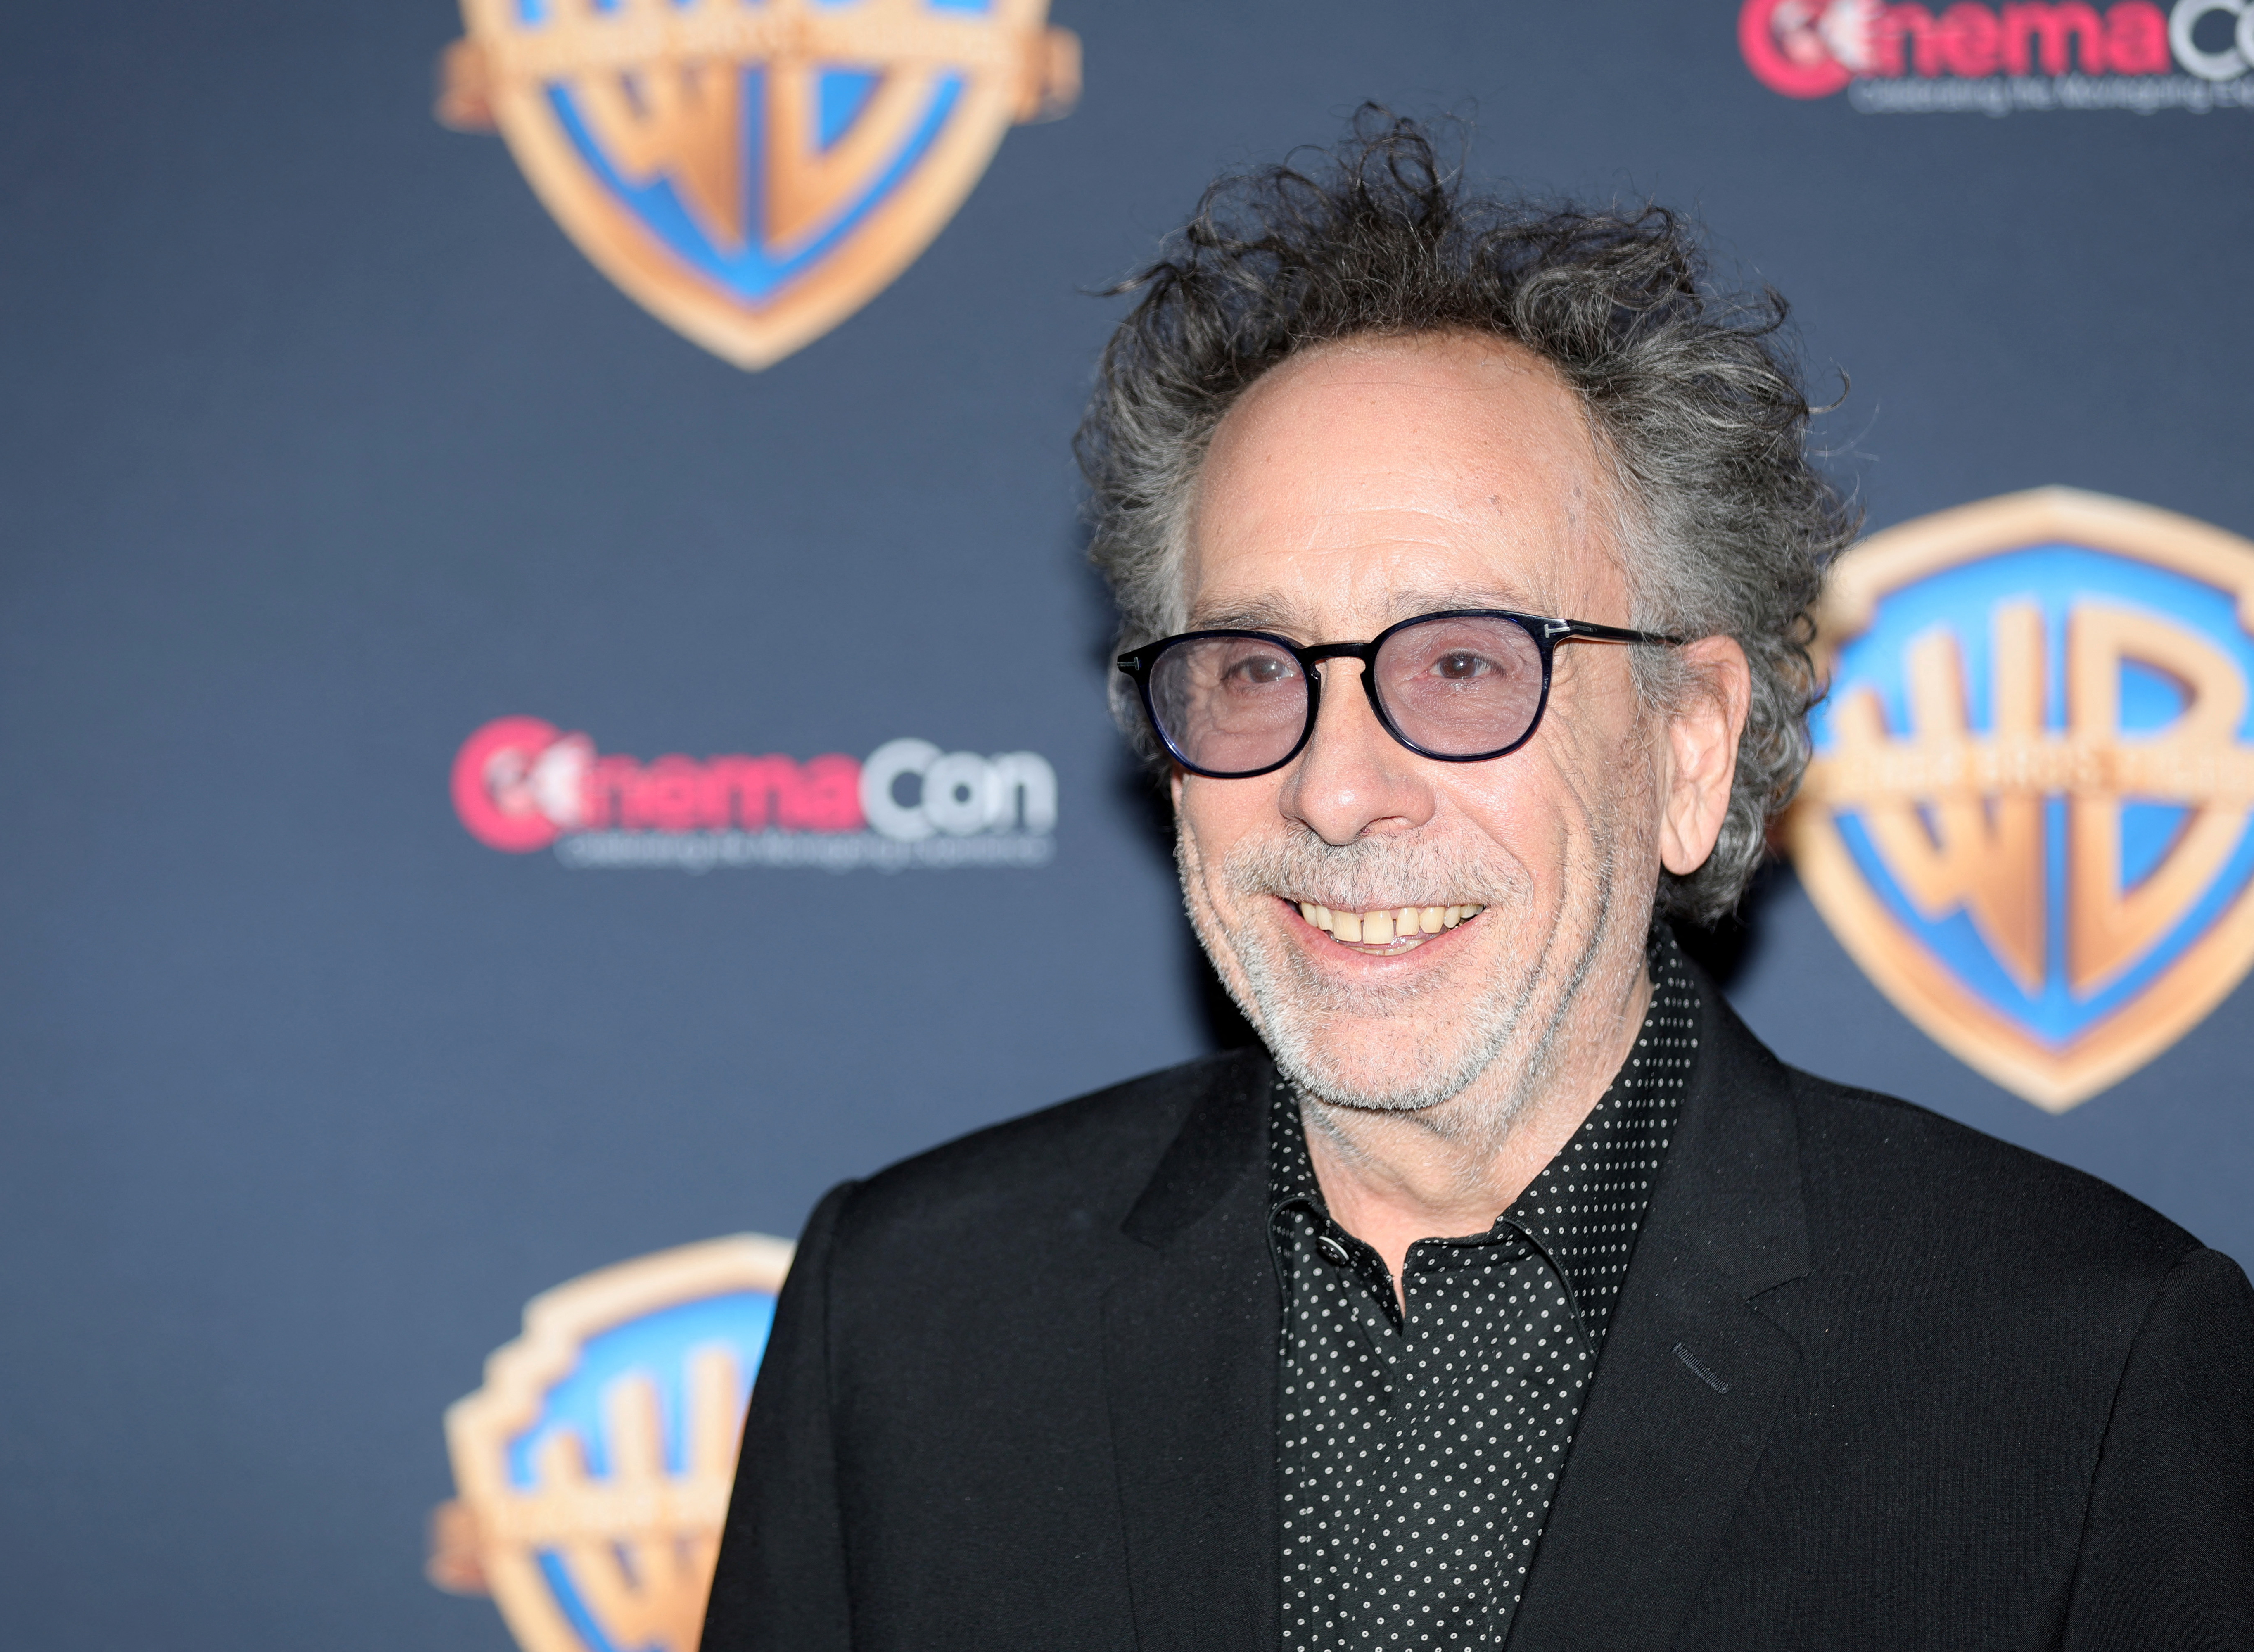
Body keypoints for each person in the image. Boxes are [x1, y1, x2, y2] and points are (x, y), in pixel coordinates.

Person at [701, 116, 2254, 1652]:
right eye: (1253, 668)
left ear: (1691, 746)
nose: (1336, 786)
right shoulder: (909, 1318)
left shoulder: (2083, 1369)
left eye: (1462, 664)